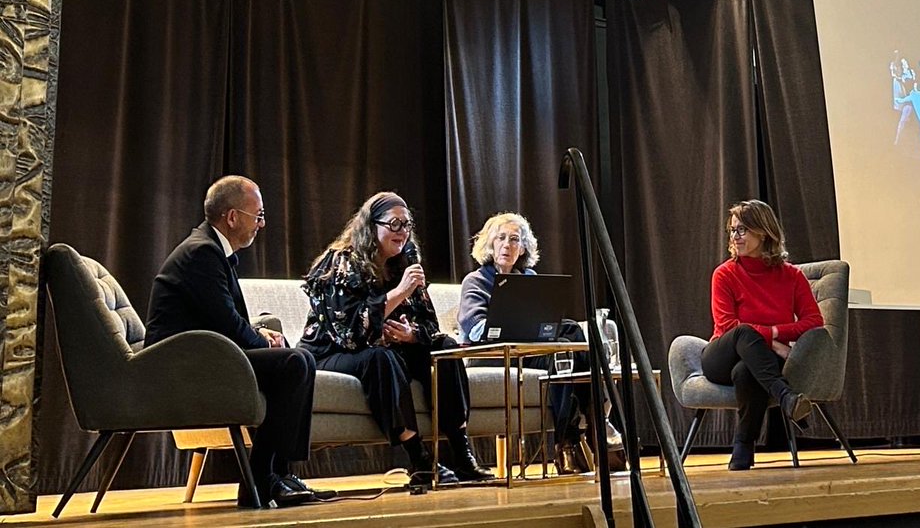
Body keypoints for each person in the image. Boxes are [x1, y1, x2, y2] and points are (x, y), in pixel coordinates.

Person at [144, 176, 323, 509]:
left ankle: (279, 475)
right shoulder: (202, 253)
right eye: (259, 215)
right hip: (182, 364)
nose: (262, 224)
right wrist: (261, 341)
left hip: (204, 353)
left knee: (297, 359)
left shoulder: (209, 249)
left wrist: (259, 334)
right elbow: (225, 322)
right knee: (294, 362)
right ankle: (261, 480)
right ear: (232, 217)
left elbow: (218, 317)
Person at [299, 192, 493, 484]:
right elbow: (348, 333)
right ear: (371, 226)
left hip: (388, 347)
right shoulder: (340, 262)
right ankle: (419, 459)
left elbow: (430, 325)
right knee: (381, 357)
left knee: (445, 348)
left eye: (407, 224)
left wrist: (412, 335)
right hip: (332, 353)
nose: (402, 232)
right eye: (394, 224)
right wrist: (400, 292)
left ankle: (461, 452)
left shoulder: (405, 264)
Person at [458, 212, 597, 475]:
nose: (507, 245)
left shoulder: (529, 277)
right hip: (492, 354)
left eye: (514, 239)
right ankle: (579, 433)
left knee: (570, 333)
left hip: (528, 351)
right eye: (501, 238)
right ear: (490, 244)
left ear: (522, 248)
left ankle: (575, 434)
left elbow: (543, 323)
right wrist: (515, 322)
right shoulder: (476, 281)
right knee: (562, 349)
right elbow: (475, 330)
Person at [702, 200, 823, 470]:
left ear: (764, 232)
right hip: (720, 357)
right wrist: (773, 342)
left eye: (742, 229)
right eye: (732, 230)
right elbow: (727, 325)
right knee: (743, 332)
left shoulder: (792, 276)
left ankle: (743, 448)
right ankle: (785, 396)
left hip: (760, 363)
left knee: (746, 372)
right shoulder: (724, 274)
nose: (735, 236)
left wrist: (774, 333)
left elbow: (814, 320)